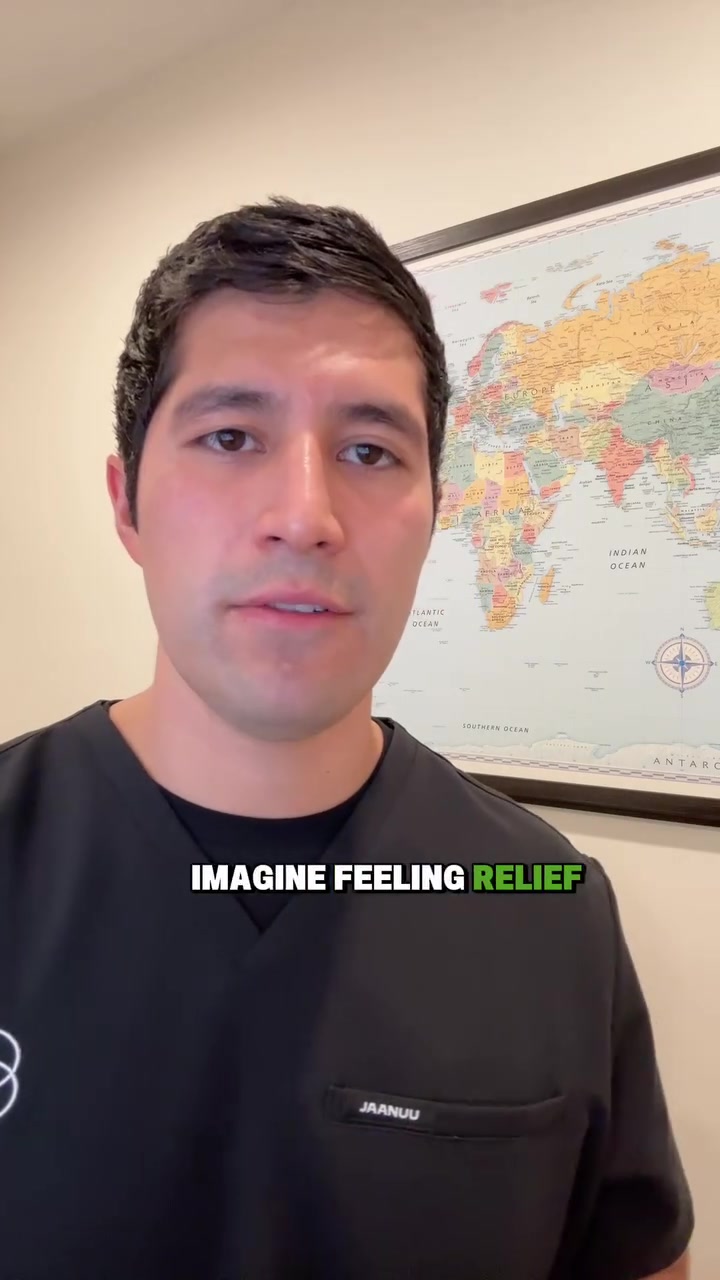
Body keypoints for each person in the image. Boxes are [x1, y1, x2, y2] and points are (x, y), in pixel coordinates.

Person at [0, 198, 693, 1280]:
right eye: (232, 437)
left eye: (370, 450)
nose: (307, 515)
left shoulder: (548, 904)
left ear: (435, 512)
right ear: (127, 502)